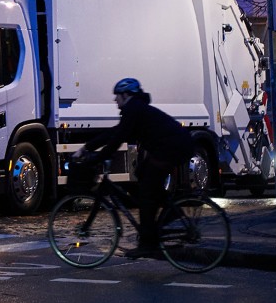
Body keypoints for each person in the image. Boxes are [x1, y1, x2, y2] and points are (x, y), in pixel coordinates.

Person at [71, 77, 194, 259]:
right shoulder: (135, 109)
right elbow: (115, 132)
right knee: (143, 175)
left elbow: (117, 139)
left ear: (126, 95)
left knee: (146, 194)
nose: (115, 100)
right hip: (170, 146)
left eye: (117, 96)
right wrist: (87, 147)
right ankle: (170, 213)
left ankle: (148, 243)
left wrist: (98, 156)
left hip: (171, 147)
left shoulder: (133, 109)